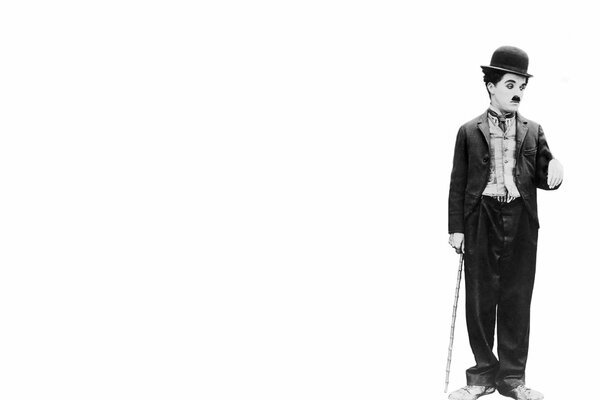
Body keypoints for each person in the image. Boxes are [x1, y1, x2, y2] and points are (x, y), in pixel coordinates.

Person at [447, 46, 564, 400]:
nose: (517, 93)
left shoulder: (533, 130)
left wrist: (556, 167)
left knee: (516, 298)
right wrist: (456, 228)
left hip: (521, 220)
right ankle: (482, 376)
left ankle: (512, 378)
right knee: (480, 298)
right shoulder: (468, 131)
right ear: (491, 86)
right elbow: (457, 183)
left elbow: (543, 174)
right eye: (510, 85)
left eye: (522, 87)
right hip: (480, 218)